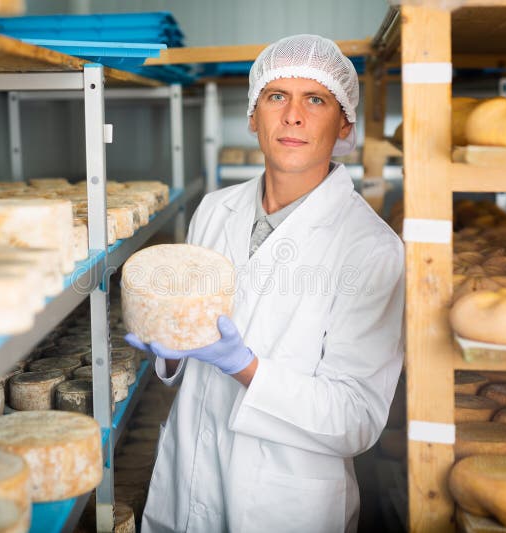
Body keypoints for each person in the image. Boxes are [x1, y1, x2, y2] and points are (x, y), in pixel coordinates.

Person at [125, 34, 405, 533]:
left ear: (344, 125)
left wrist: (247, 368)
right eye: (277, 96)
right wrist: (169, 351)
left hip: (284, 502)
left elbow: (357, 418)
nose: (293, 116)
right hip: (188, 475)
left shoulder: (371, 248)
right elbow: (191, 356)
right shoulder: (213, 210)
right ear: (253, 117)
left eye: (314, 99)